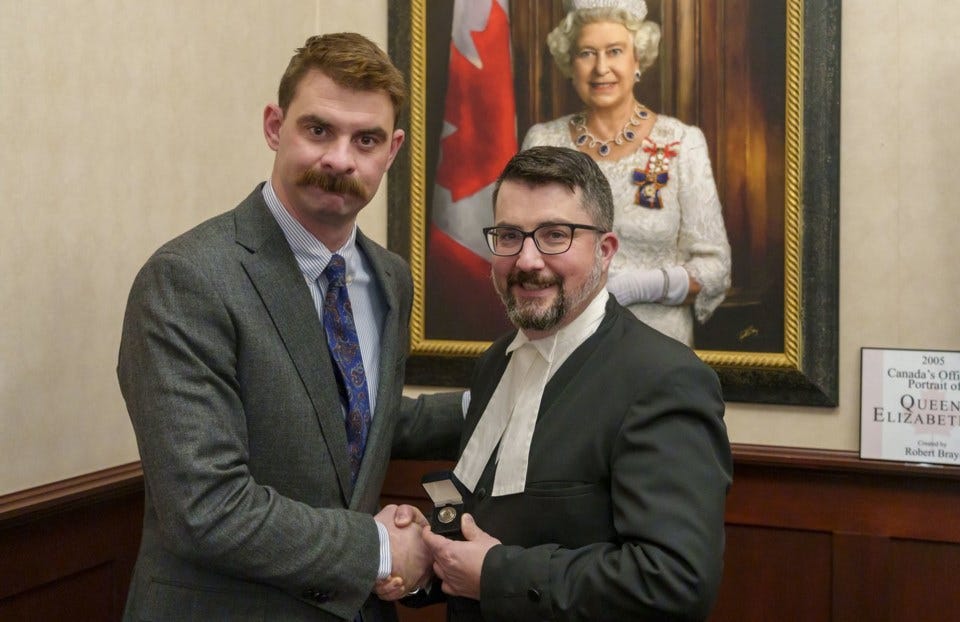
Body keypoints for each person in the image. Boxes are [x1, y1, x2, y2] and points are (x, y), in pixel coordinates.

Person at [117, 33, 462, 621]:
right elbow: (206, 507)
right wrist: (380, 547)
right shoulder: (188, 278)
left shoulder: (389, 279)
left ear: (393, 150)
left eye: (367, 139)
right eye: (319, 129)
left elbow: (353, 418)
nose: (340, 159)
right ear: (275, 127)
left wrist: (504, 399)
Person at [418, 146, 732, 621]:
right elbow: (491, 530)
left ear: (605, 251)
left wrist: (496, 575)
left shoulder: (665, 379)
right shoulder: (495, 363)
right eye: (508, 236)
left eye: (554, 236)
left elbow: (674, 579)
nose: (526, 260)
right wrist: (417, 551)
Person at [521, 0, 732, 347]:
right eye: (587, 53)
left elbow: (716, 269)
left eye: (615, 51)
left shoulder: (681, 142)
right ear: (570, 64)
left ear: (638, 60)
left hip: (658, 355)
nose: (601, 68)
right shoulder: (543, 141)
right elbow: (523, 249)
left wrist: (643, 285)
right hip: (563, 348)